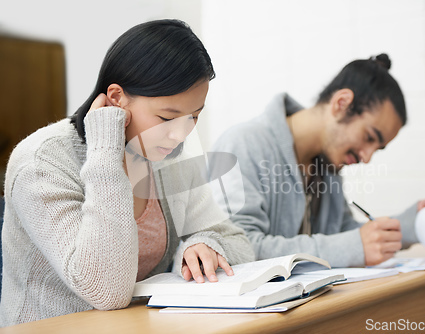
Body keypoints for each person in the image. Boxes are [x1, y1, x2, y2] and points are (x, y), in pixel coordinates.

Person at [0, 19, 254, 326]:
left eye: (194, 117)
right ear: (117, 98)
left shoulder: (167, 155)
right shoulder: (41, 163)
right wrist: (106, 151)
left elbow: (240, 243)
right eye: (167, 117)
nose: (180, 135)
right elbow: (106, 291)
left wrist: (203, 244)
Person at [209, 53, 425, 268]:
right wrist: (353, 247)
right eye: (369, 137)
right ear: (341, 104)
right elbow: (238, 249)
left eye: (377, 149)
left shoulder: (328, 165)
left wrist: (409, 226)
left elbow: (344, 234)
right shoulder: (242, 144)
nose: (366, 157)